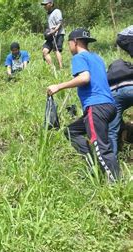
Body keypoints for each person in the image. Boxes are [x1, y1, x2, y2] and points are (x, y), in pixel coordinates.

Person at [47, 28, 120, 182]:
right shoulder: (97, 58)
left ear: (75, 42)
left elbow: (85, 78)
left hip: (96, 106)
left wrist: (58, 86)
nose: (68, 47)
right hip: (109, 106)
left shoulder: (79, 58)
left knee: (101, 147)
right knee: (71, 131)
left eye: (68, 43)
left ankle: (116, 183)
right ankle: (92, 161)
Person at [107, 59, 133, 155]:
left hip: (115, 93)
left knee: (112, 131)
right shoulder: (129, 71)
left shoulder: (109, 76)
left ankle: (112, 163)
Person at [41, 0, 65, 69]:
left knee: (56, 50)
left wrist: (55, 30)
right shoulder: (48, 14)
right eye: (44, 5)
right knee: (45, 51)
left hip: (58, 34)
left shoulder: (57, 11)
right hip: (51, 35)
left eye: (46, 4)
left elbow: (60, 22)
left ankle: (61, 68)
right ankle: (52, 68)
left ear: (51, 4)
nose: (44, 6)